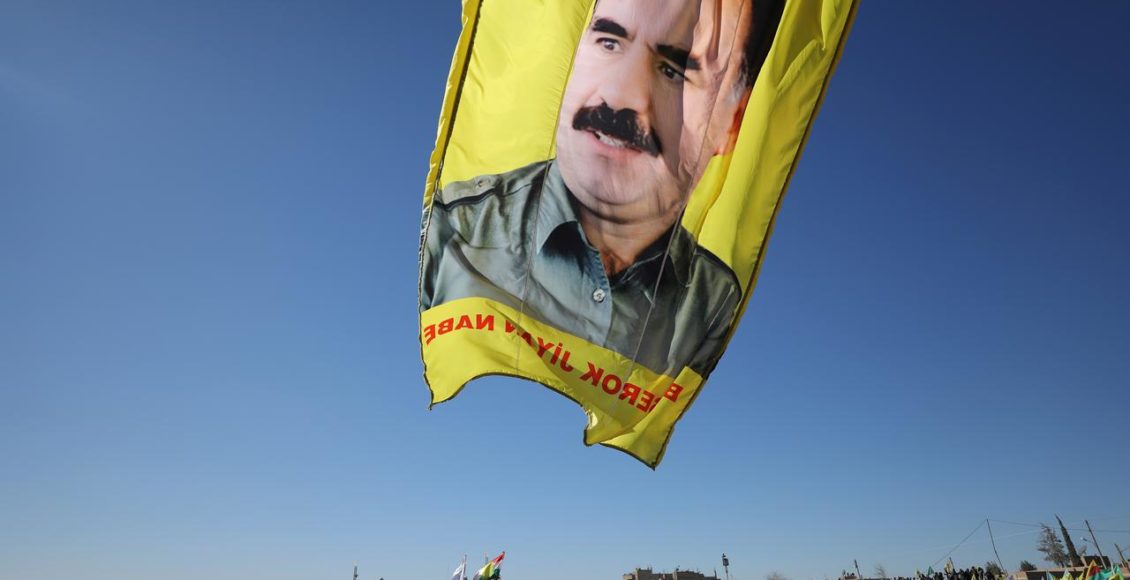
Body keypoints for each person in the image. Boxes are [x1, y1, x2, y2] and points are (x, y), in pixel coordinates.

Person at [421, 0, 781, 377]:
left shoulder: (713, 308)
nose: (618, 95)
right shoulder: (456, 232)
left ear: (733, 121)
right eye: (609, 42)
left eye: (674, 71)